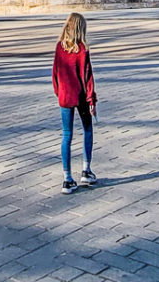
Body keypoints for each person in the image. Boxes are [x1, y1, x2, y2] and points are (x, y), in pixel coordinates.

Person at [52, 12, 98, 194]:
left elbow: (55, 73)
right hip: (80, 97)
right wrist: (91, 100)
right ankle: (86, 170)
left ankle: (67, 178)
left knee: (66, 135)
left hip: (64, 96)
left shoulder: (59, 48)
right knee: (87, 130)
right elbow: (88, 77)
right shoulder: (82, 49)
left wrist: (59, 92)